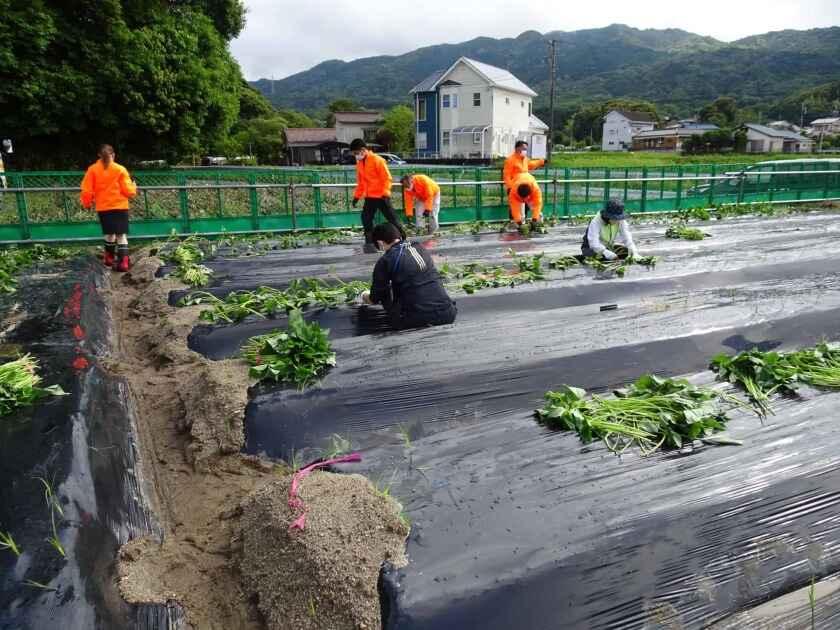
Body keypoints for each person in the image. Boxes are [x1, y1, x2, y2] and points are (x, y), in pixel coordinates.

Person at [362, 223, 457, 330]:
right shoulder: (419, 248)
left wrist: (365, 296)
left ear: (380, 243)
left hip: (417, 319)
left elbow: (375, 298)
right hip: (448, 313)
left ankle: (401, 317)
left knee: (386, 291)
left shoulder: (386, 260)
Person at [80, 145, 137, 271]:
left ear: (99, 155)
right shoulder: (120, 169)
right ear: (113, 155)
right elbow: (129, 192)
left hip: (104, 207)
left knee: (109, 234)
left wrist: (87, 204)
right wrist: (134, 187)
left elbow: (86, 191)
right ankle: (123, 264)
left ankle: (109, 260)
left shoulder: (92, 170)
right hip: (120, 206)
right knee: (121, 235)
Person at [350, 139, 405, 253]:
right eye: (354, 154)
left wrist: (385, 193)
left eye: (356, 153)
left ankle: (403, 237)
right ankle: (370, 241)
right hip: (370, 196)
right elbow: (361, 182)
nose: (355, 155)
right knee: (366, 218)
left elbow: (387, 178)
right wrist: (357, 196)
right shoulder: (360, 164)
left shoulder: (377, 160)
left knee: (392, 218)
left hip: (381, 195)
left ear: (363, 150)